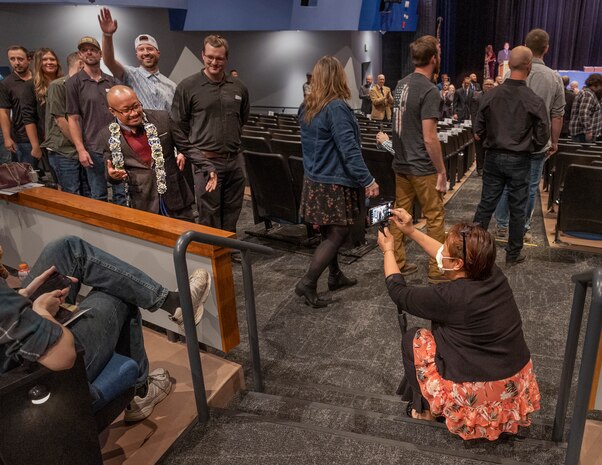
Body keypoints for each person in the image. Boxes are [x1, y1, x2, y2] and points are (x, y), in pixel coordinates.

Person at [0, 236, 211, 421]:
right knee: (117, 293)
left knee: (67, 248)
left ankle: (174, 304)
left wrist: (24, 296)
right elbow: (63, 356)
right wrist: (41, 310)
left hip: (15, 335)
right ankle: (140, 392)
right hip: (30, 379)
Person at [377, 208, 540, 440]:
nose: (442, 250)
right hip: (513, 379)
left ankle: (427, 411)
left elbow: (398, 292)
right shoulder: (491, 271)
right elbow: (445, 255)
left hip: (479, 392)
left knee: (413, 339)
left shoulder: (449, 296)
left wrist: (389, 251)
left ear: (458, 263)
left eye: (448, 249)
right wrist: (411, 231)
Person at [294, 56, 379, 308]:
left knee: (330, 231)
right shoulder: (336, 108)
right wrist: (368, 180)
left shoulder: (307, 105)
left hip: (315, 179)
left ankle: (334, 275)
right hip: (332, 181)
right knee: (337, 234)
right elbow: (349, 150)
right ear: (338, 78)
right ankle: (308, 282)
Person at [376, 35, 448, 283]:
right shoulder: (429, 90)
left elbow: (398, 128)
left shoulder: (400, 84)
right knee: (435, 217)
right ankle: (438, 271)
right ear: (433, 59)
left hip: (401, 164)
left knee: (400, 215)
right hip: (422, 167)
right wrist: (441, 171)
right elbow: (430, 138)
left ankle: (397, 262)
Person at [473, 46, 549, 265]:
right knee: (518, 208)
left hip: (494, 157)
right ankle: (513, 255)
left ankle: (474, 253)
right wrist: (530, 146)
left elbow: (478, 130)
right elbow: (542, 136)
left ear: (509, 65)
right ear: (529, 67)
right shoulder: (533, 99)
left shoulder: (491, 94)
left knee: (486, 206)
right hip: (520, 159)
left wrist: (492, 138)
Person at [171, 34, 249, 233]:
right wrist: (185, 153)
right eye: (210, 57)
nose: (215, 62)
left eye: (220, 58)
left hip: (234, 160)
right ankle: (211, 255)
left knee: (233, 209)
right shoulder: (188, 87)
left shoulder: (238, 87)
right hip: (205, 162)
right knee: (209, 212)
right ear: (203, 55)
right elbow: (178, 125)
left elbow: (243, 118)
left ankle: (227, 250)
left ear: (226, 58)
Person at [101, 85, 216, 220]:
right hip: (143, 202)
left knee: (187, 238)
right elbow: (110, 173)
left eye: (136, 106)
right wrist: (113, 176)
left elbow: (187, 147)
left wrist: (208, 167)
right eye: (126, 110)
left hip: (175, 196)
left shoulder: (162, 118)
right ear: (113, 111)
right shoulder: (107, 135)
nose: (134, 113)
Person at [493, 29, 565, 243]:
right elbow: (557, 115)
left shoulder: (508, 75)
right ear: (546, 48)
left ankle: (502, 225)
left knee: (507, 184)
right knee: (530, 186)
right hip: (537, 144)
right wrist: (555, 141)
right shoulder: (554, 78)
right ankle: (522, 227)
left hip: (509, 142)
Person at [66, 36, 120, 203]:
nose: (89, 52)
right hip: (93, 148)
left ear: (100, 53)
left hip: (117, 146)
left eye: (93, 49)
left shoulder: (111, 81)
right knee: (99, 194)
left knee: (121, 193)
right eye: (84, 50)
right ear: (80, 55)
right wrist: (81, 150)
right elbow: (73, 119)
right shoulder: (74, 83)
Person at [98, 7, 176, 112]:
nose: (146, 53)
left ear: (158, 53)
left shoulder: (171, 85)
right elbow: (109, 61)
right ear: (136, 54)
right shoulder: (131, 75)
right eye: (141, 49)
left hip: (167, 128)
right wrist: (107, 35)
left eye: (150, 49)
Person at [42, 52, 85, 195]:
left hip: (79, 150)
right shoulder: (58, 86)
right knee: (71, 193)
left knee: (85, 192)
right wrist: (80, 146)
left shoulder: (82, 86)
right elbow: (60, 121)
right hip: (64, 150)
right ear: (80, 64)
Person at [0, 46, 41, 166]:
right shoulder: (6, 84)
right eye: (12, 59)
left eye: (20, 59)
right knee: (28, 176)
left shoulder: (38, 78)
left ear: (29, 59)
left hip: (44, 133)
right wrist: (7, 138)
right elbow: (4, 112)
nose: (16, 62)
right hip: (23, 137)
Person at [569, 73, 602, 142]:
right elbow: (584, 113)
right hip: (583, 135)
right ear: (597, 84)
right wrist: (588, 131)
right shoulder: (588, 94)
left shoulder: (588, 93)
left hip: (583, 134)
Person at [474, 78, 495, 175]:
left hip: (492, 129)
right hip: (480, 129)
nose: (489, 86)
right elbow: (474, 115)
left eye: (491, 84)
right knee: (480, 150)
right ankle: (480, 168)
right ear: (483, 86)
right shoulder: (477, 97)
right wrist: (475, 131)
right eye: (487, 84)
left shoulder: (496, 96)